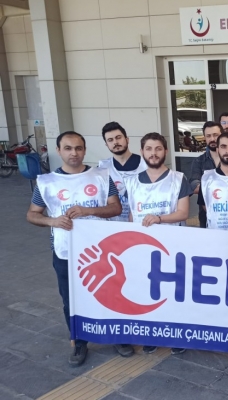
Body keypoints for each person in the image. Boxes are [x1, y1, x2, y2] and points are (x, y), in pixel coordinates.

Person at [26, 131, 122, 366]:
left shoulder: (101, 175)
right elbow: (32, 214)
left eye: (78, 148)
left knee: (109, 294)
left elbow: (116, 208)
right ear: (58, 151)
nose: (74, 153)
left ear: (85, 150)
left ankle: (117, 336)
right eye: (68, 148)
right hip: (65, 251)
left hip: (100, 251)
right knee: (71, 299)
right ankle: (79, 341)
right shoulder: (46, 182)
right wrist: (53, 221)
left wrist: (89, 211)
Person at [125, 132, 192, 355]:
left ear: (165, 151)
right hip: (142, 247)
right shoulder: (132, 182)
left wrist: (159, 218)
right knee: (146, 291)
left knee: (172, 291)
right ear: (142, 152)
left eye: (158, 149)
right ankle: (151, 334)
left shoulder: (178, 178)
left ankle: (176, 334)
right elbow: (131, 216)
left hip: (172, 246)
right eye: (149, 149)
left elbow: (183, 213)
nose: (153, 153)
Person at [98, 121, 148, 357]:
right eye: (110, 140)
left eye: (118, 137)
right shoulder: (102, 168)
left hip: (142, 232)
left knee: (143, 283)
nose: (115, 142)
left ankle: (146, 329)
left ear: (127, 139)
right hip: (114, 234)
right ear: (106, 144)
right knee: (117, 284)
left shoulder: (145, 162)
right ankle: (121, 335)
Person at [190, 121, 227, 228]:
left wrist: (206, 187)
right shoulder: (198, 161)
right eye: (208, 136)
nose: (212, 139)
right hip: (206, 215)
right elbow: (194, 183)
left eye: (216, 135)